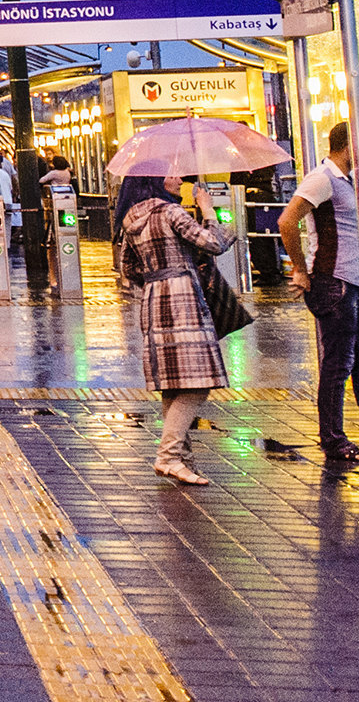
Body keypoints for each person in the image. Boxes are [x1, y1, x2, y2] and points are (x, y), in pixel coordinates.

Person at [116, 173, 236, 486]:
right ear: (155, 180)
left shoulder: (131, 217)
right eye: (171, 174)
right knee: (198, 382)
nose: (178, 178)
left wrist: (156, 277)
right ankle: (168, 456)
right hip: (183, 299)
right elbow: (214, 243)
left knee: (174, 384)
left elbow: (128, 267)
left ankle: (182, 461)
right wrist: (207, 209)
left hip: (154, 299)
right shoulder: (170, 212)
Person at [279, 122, 359, 464]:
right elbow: (287, 221)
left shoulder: (351, 180)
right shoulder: (323, 178)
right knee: (339, 364)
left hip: (354, 281)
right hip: (335, 281)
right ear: (349, 146)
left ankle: (348, 435)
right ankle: (333, 440)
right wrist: (300, 269)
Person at [14, 138, 52, 292]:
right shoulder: (44, 164)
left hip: (42, 197)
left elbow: (41, 179)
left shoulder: (39, 167)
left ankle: (39, 259)